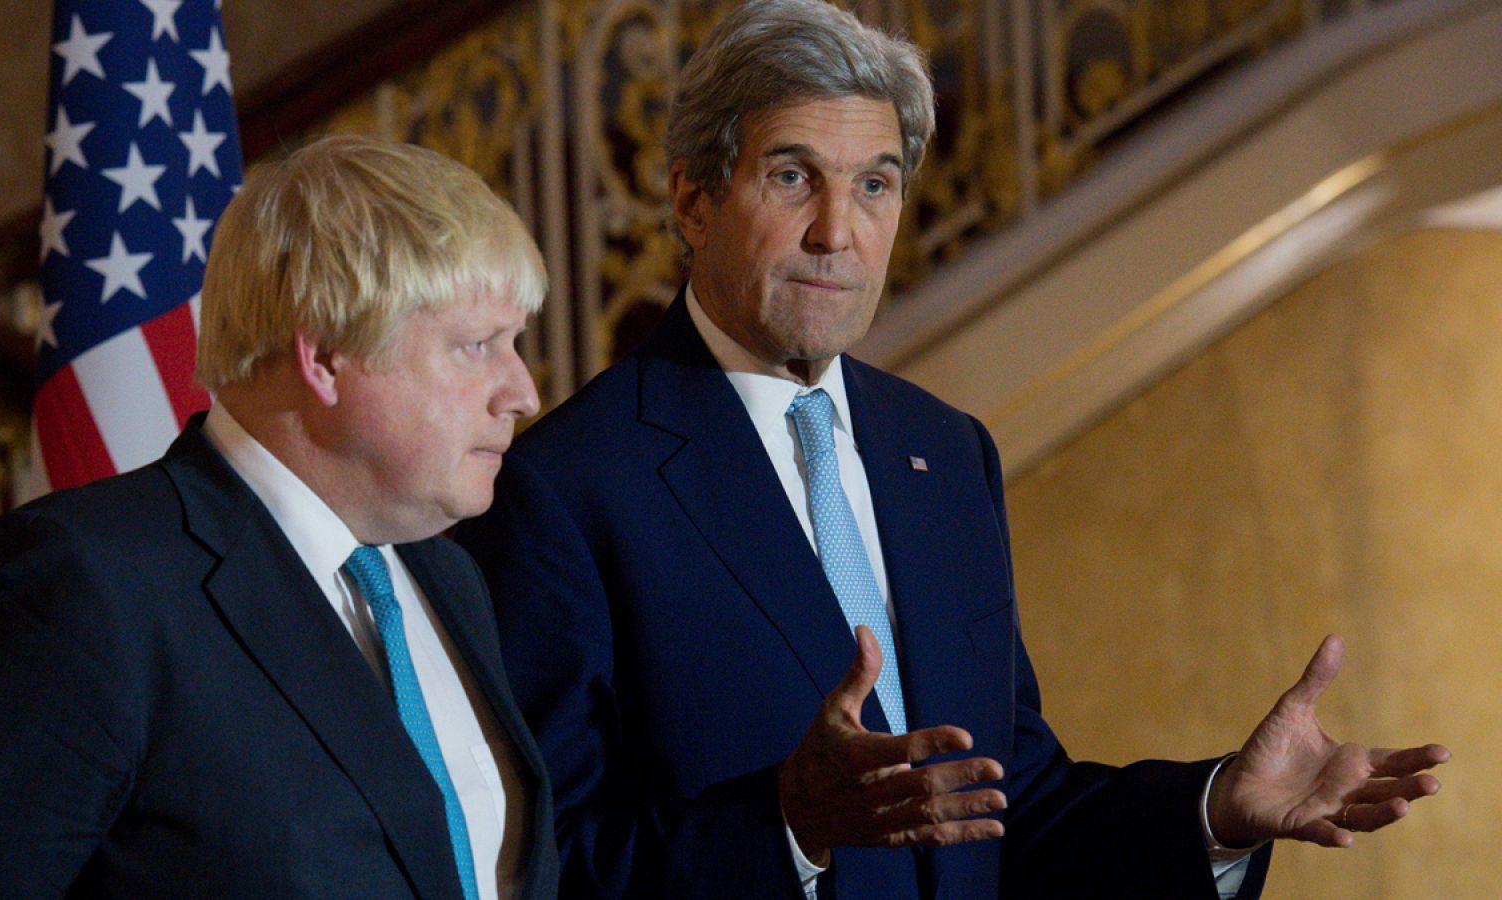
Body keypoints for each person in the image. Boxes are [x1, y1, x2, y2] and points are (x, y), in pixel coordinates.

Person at [452, 2, 1449, 897]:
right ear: (691, 200)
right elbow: (545, 869)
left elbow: (1011, 808)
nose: (836, 232)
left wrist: (1218, 807)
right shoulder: (565, 487)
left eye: (875, 184)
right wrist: (789, 827)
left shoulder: (940, 450)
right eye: (791, 176)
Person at [0, 135, 558, 899]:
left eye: (515, 343)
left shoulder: (448, 574)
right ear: (327, 357)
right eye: (476, 346)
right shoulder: (86, 586)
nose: (521, 391)